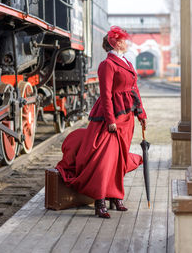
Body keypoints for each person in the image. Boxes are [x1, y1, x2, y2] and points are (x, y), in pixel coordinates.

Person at [56, 26, 147, 219]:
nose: (126, 42)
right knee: (105, 160)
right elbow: (105, 94)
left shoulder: (127, 62)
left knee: (119, 159)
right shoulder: (107, 64)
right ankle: (100, 201)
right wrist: (110, 120)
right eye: (122, 39)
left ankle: (115, 197)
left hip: (127, 117)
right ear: (115, 43)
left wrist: (141, 113)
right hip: (111, 118)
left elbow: (134, 89)